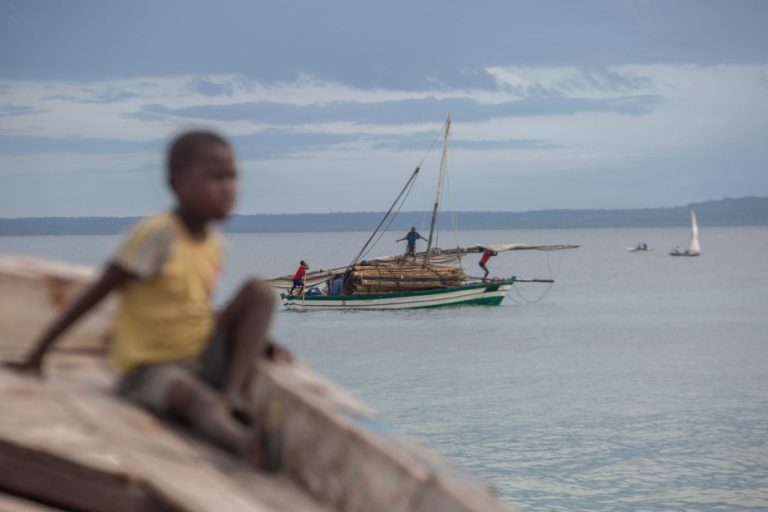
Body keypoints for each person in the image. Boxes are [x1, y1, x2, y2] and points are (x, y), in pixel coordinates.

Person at [2, 130, 291, 464]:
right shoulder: (158, 235)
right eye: (215, 177)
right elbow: (97, 293)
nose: (227, 189)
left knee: (260, 292)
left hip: (199, 355)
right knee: (198, 401)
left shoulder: (215, 244)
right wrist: (39, 353)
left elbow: (194, 308)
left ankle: (234, 394)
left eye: (232, 178)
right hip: (149, 370)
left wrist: (256, 340)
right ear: (175, 183)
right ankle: (246, 445)